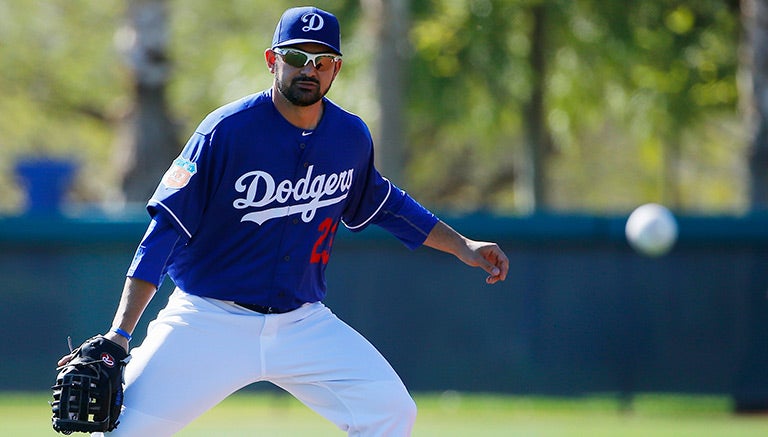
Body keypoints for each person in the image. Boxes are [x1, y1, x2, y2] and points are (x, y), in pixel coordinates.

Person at [59, 6, 509, 436]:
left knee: (391, 413)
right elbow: (165, 231)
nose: (308, 69)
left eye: (322, 60)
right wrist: (120, 334)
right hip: (207, 318)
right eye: (296, 57)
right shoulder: (224, 131)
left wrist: (463, 246)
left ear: (336, 69)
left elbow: (388, 204)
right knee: (122, 432)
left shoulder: (350, 136)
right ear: (273, 60)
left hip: (302, 324)